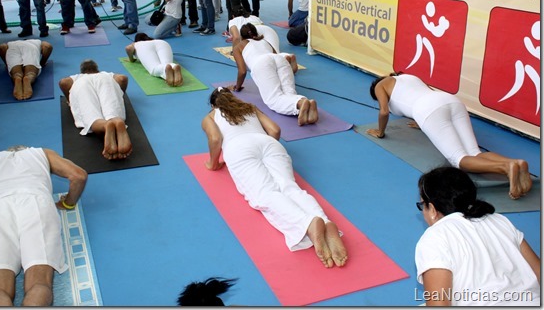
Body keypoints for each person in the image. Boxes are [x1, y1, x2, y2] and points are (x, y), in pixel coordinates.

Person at [202, 88, 347, 267]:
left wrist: (212, 163)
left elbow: (215, 139)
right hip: (268, 144)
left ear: (213, 104)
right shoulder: (249, 107)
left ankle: (307, 224)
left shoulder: (211, 116)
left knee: (265, 193)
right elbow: (275, 130)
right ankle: (323, 220)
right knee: (290, 187)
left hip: (238, 148)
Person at [367, 73, 533, 199]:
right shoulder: (409, 77)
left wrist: (380, 132)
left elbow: (384, 111)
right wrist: (421, 121)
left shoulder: (379, 86)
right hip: (450, 101)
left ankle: (506, 169)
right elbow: (422, 95)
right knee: (474, 152)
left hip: (428, 109)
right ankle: (514, 162)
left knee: (459, 160)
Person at [0, 146, 88, 306]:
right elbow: (79, 176)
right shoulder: (42, 153)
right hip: (36, 205)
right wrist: (67, 203)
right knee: (39, 284)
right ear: (25, 149)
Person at [414, 167, 540, 306]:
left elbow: (439, 304)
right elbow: (539, 271)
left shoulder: (434, 238)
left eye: (422, 206)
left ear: (432, 209)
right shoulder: (499, 220)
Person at [231, 23, 316, 125]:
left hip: (261, 63)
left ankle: (301, 103)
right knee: (289, 92)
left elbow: (242, 71)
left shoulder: (238, 47)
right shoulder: (265, 41)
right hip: (280, 59)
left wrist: (237, 87)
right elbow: (277, 55)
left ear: (241, 36)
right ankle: (305, 104)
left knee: (274, 100)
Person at [59, 59, 132, 160]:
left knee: (92, 117)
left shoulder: (78, 77)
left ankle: (106, 126)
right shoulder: (106, 74)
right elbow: (122, 79)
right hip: (106, 81)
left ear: (82, 71)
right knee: (112, 112)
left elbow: (64, 82)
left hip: (82, 84)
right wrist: (120, 95)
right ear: (97, 69)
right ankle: (116, 120)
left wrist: (70, 101)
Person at [228, 7, 298, 73]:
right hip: (269, 31)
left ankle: (284, 60)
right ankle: (286, 56)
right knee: (274, 53)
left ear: (233, 16)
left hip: (254, 32)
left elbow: (236, 37)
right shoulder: (254, 17)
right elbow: (262, 27)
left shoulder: (233, 21)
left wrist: (234, 51)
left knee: (262, 58)